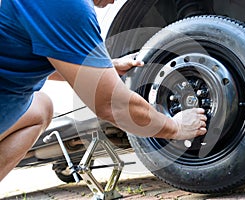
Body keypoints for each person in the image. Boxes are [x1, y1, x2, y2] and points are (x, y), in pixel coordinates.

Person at [0, 0, 207, 181]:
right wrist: (175, 127)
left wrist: (100, 67)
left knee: (41, 107)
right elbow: (111, 104)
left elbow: (35, 55)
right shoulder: (65, 5)